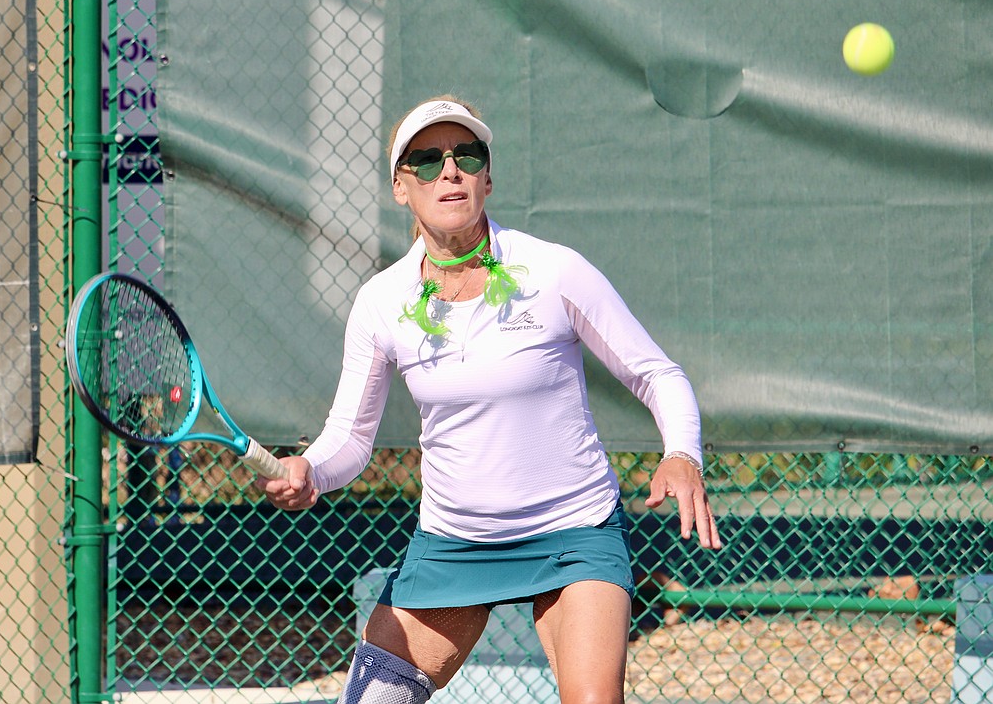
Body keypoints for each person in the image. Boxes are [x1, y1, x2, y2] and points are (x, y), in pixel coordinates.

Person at [261, 95, 722, 704]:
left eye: (467, 155)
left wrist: (682, 454)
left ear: (487, 177)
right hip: (453, 542)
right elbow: (349, 436)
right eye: (427, 161)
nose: (449, 172)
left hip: (573, 531)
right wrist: (311, 469)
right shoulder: (380, 302)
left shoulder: (553, 271)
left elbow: (656, 373)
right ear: (401, 187)